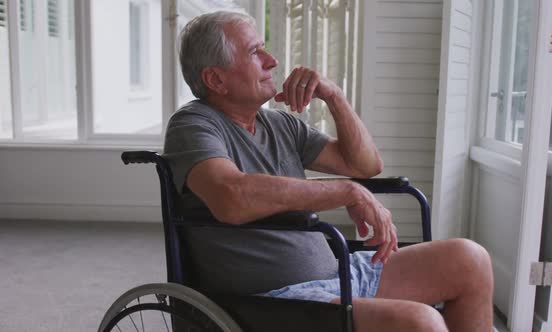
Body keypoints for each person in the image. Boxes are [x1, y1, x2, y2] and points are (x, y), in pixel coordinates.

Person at [164, 10, 493, 332]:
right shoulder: (193, 125)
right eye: (254, 52)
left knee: (469, 259)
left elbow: (364, 165)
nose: (272, 60)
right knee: (421, 322)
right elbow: (230, 197)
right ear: (215, 79)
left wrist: (334, 97)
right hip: (276, 297)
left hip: (340, 272)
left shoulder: (280, 124)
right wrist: (345, 191)